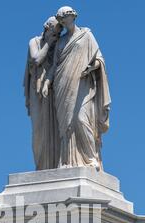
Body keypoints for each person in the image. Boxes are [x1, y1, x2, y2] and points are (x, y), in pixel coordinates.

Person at [42, 6, 111, 170]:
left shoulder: (86, 35)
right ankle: (67, 161)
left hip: (82, 83)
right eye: (60, 19)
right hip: (62, 84)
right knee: (65, 124)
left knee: (81, 119)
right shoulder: (61, 41)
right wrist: (47, 82)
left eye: (65, 17)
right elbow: (55, 66)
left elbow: (99, 59)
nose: (63, 21)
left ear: (73, 16)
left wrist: (91, 67)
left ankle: (90, 158)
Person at [24, 17, 62, 170]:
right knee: (39, 130)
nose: (57, 36)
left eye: (58, 34)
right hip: (36, 90)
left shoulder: (58, 44)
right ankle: (41, 167)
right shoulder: (34, 41)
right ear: (47, 28)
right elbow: (36, 59)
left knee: (56, 128)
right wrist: (49, 43)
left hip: (52, 89)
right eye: (54, 32)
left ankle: (54, 166)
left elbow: (57, 64)